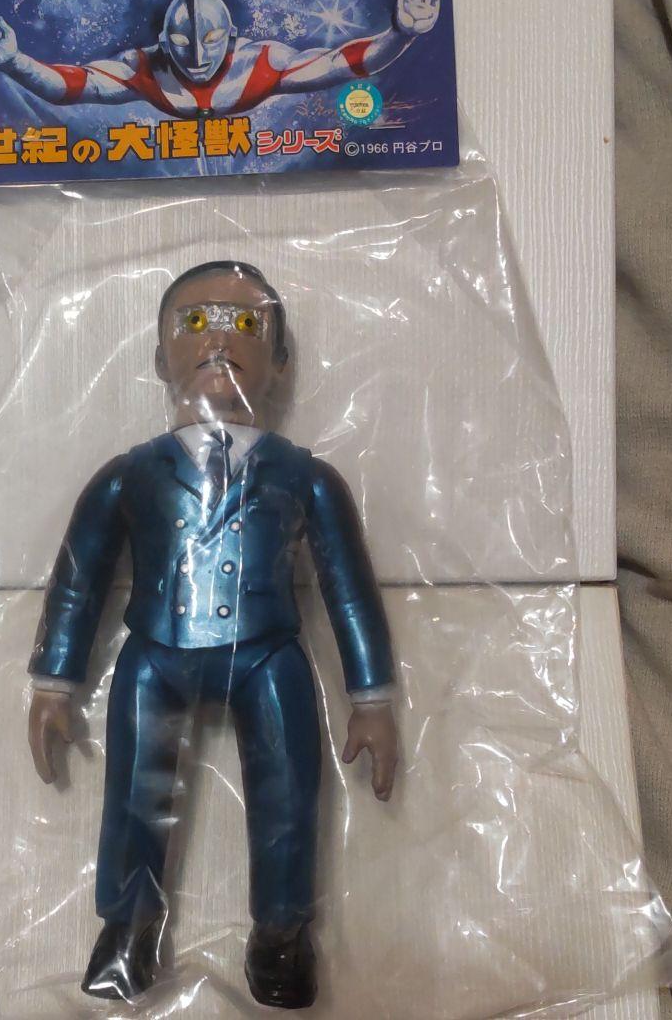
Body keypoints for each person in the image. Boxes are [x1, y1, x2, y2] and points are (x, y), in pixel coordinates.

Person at [28, 261, 399, 1009]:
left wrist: (371, 696)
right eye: (193, 322)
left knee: (290, 790)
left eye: (247, 324)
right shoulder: (129, 474)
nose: (219, 339)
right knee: (133, 794)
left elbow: (348, 588)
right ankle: (129, 925)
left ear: (281, 361)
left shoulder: (307, 477)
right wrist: (54, 682)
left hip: (268, 652)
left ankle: (282, 931)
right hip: (155, 652)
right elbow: (78, 578)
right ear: (159, 355)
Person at [0, 0, 441, 118]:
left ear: (231, 38)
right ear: (162, 41)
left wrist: (399, 34)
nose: (197, 56)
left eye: (211, 40)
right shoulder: (141, 68)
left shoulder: (263, 62)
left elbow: (342, 63)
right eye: (182, 41)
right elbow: (71, 87)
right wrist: (14, 62)